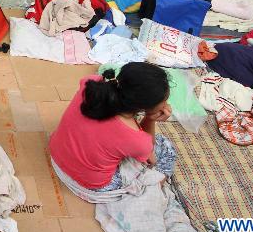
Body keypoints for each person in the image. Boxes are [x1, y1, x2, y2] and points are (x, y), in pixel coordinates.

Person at [49, 63, 176, 194]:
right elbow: (151, 157)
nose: (165, 104)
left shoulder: (91, 83)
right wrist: (150, 119)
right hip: (88, 183)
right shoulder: (136, 138)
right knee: (166, 149)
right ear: (145, 106)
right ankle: (156, 187)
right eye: (164, 100)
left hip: (57, 155)